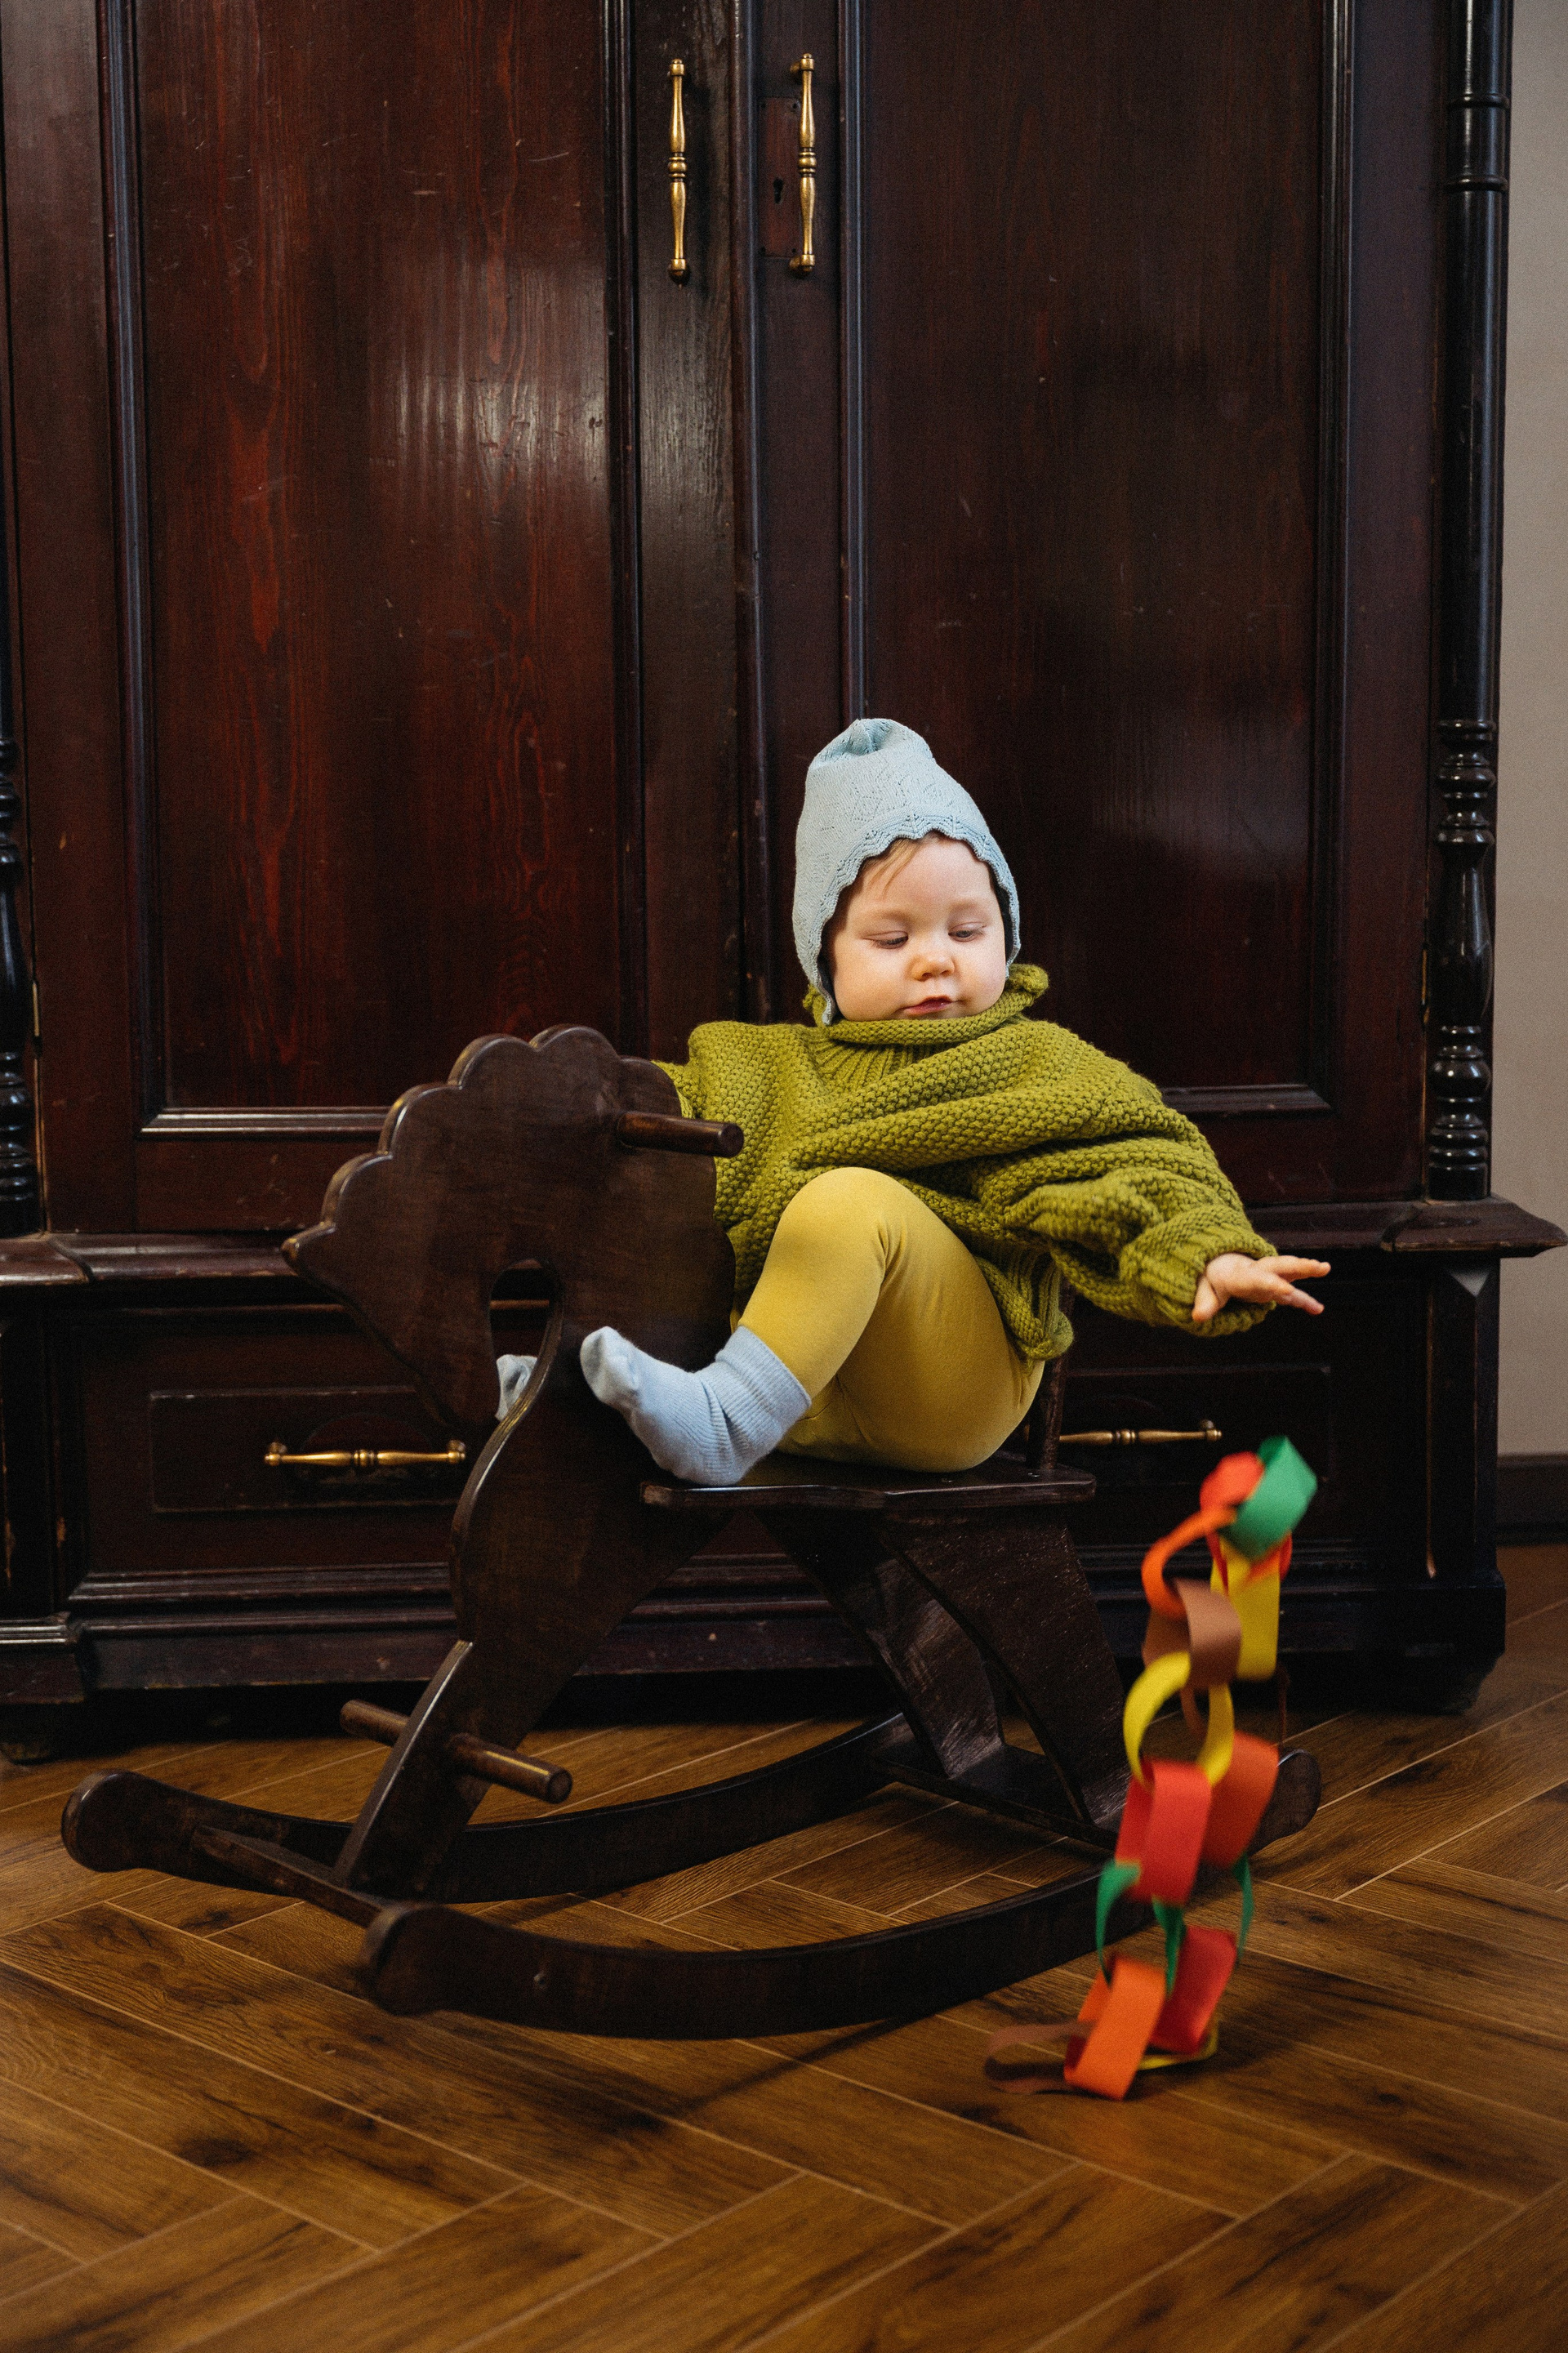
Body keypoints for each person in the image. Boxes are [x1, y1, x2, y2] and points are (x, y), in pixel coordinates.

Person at [512, 718, 1329, 1482]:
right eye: (893, 938)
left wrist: (1206, 1253)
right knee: (661, 1185)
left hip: (952, 1392)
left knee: (847, 1202)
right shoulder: (759, 1069)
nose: (935, 960)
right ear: (826, 959)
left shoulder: (1036, 1065)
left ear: (1006, 934)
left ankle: (724, 1422)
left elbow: (1139, 1161)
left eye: (967, 931)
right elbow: (634, 1129)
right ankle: (582, 1391)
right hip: (805, 1393)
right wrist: (539, 1124)